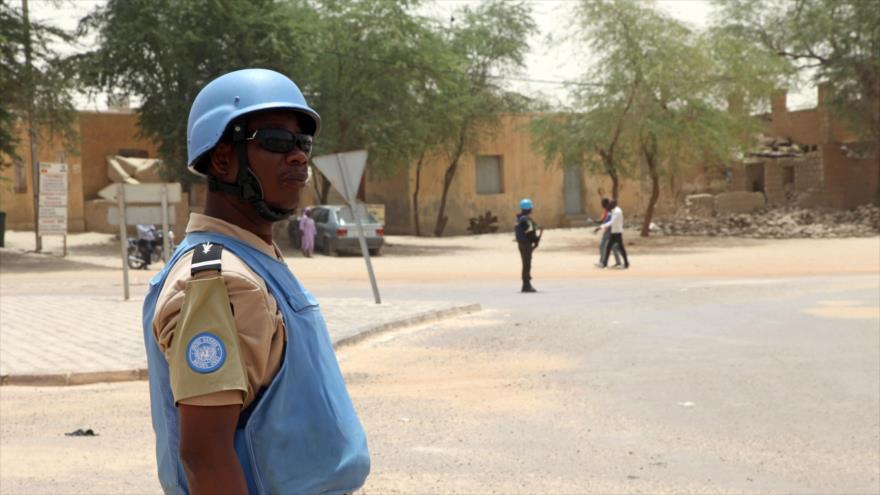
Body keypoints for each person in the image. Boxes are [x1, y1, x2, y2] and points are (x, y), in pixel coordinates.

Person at [142, 69, 370, 494]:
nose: (299, 157)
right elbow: (204, 455)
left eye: (303, 144)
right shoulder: (219, 279)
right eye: (277, 142)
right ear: (223, 158)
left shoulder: (252, 258)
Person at [515, 198, 541, 292]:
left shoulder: (520, 218)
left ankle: (526, 284)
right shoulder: (525, 219)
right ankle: (526, 285)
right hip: (526, 244)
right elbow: (530, 233)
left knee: (525, 263)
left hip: (522, 244)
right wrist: (535, 240)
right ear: (529, 209)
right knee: (527, 264)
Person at [599, 199, 630, 269]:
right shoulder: (613, 211)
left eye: (611, 204)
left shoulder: (617, 211)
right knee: (608, 247)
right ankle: (604, 263)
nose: (609, 205)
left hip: (618, 233)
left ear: (614, 204)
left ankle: (626, 263)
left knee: (621, 249)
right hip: (613, 232)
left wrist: (601, 227)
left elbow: (612, 222)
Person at [594, 198, 622, 268]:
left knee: (602, 246)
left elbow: (606, 221)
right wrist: (595, 222)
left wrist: (598, 227)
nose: (602, 205)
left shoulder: (611, 211)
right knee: (612, 247)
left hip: (611, 231)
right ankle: (618, 262)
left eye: (603, 203)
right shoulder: (606, 211)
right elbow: (602, 220)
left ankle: (602, 262)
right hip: (608, 230)